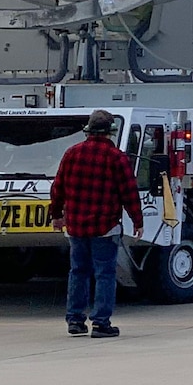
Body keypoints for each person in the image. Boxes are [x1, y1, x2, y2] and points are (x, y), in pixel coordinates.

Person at [49, 109, 144, 338]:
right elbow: (129, 193)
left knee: (78, 272)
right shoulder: (117, 158)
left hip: (76, 226)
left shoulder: (72, 153)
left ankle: (75, 320)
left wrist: (56, 215)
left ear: (88, 130)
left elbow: (58, 187)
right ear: (111, 131)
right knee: (105, 274)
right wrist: (137, 221)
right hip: (105, 226)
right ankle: (101, 323)